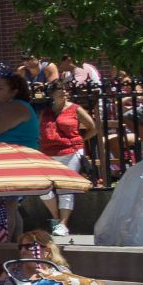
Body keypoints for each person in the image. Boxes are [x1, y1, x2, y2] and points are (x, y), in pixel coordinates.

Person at [38, 82, 98, 240]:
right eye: (59, 90)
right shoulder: (45, 111)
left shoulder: (75, 108)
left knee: (66, 188)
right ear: (51, 93)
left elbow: (92, 127)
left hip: (71, 152)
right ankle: (56, 218)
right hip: (49, 152)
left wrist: (79, 141)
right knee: (43, 188)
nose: (64, 92)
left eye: (65, 89)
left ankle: (63, 224)